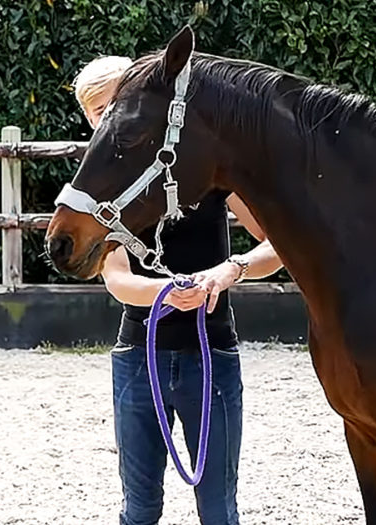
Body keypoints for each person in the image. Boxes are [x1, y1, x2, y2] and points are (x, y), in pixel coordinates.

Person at [73, 56, 284, 525]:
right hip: (138, 359)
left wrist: (232, 270)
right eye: (99, 112)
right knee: (139, 509)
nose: (110, 119)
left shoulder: (205, 174)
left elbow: (280, 244)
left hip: (211, 352)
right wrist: (168, 290)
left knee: (219, 511)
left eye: (118, 106)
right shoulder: (98, 194)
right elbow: (117, 279)